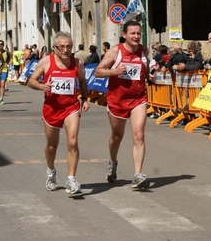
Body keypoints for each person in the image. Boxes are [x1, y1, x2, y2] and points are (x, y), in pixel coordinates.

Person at [27, 31, 90, 195]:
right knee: (51, 146)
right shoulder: (46, 62)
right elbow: (30, 81)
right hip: (52, 108)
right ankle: (51, 171)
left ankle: (71, 179)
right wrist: (42, 86)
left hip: (71, 107)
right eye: (62, 46)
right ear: (54, 48)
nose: (66, 50)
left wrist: (85, 98)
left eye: (69, 46)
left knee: (73, 142)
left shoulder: (78, 63)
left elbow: (82, 81)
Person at [94, 20, 153, 189]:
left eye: (138, 33)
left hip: (138, 99)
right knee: (117, 137)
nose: (136, 36)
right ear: (124, 35)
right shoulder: (115, 52)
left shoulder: (144, 51)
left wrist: (149, 76)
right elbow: (98, 71)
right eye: (132, 33)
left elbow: (144, 70)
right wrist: (114, 71)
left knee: (139, 135)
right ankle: (112, 162)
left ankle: (137, 175)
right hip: (117, 101)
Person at [0, 40, 10, 104]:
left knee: (2, 85)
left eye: (1, 44)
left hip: (4, 70)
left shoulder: (6, 53)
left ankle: (1, 98)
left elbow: (8, 60)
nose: (0, 45)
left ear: (3, 45)